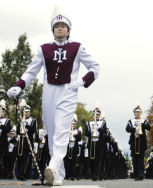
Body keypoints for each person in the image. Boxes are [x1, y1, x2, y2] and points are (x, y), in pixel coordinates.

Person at [7, 13, 100, 186]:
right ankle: (57, 175)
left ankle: (52, 165)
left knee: (62, 132)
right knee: (51, 134)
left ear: (68, 30)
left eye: (63, 26)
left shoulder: (77, 47)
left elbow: (95, 67)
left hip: (68, 91)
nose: (60, 28)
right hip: (49, 91)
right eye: (57, 26)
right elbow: (31, 71)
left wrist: (80, 82)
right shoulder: (44, 49)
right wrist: (19, 85)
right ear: (53, 30)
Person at [126, 104, 151, 181]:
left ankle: (141, 174)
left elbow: (149, 128)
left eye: (139, 112)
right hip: (134, 141)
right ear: (134, 113)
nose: (138, 113)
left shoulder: (144, 120)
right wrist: (134, 129)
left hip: (142, 142)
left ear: (141, 113)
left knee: (141, 159)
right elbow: (127, 129)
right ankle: (136, 175)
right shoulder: (131, 121)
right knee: (135, 159)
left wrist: (142, 125)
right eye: (136, 112)